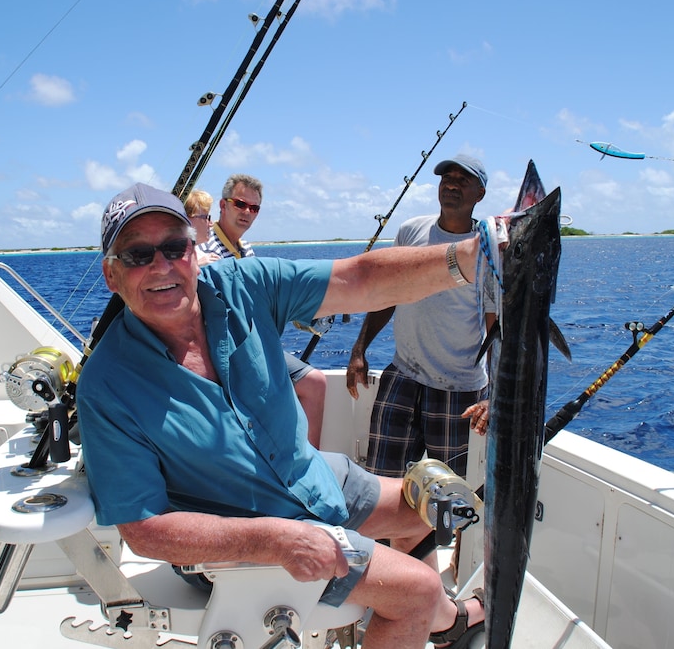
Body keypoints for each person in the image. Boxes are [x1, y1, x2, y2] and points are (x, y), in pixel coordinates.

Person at [78, 182, 485, 649]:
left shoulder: (243, 285)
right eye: (137, 255)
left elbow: (362, 278)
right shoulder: (106, 385)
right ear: (111, 275)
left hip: (316, 480)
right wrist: (271, 541)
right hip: (241, 547)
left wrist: (471, 258)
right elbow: (144, 530)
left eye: (174, 247)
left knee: (421, 512)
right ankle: (433, 613)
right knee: (419, 590)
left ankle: (440, 623)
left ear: (193, 249)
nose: (161, 266)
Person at [345, 154, 496, 558]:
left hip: (459, 389)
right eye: (447, 177)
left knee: (455, 497)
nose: (452, 184)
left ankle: (451, 581)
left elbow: (498, 327)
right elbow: (385, 292)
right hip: (403, 374)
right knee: (379, 483)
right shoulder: (411, 231)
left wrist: (494, 394)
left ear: (480, 193)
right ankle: (376, 569)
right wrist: (360, 349)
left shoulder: (489, 249)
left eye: (464, 180)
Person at [198, 173, 328, 448]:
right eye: (240, 204)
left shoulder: (247, 252)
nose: (247, 212)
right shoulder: (203, 249)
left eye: (254, 208)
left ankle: (311, 467)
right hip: (225, 351)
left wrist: (307, 317)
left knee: (315, 382)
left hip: (251, 343)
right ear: (223, 205)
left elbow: (266, 301)